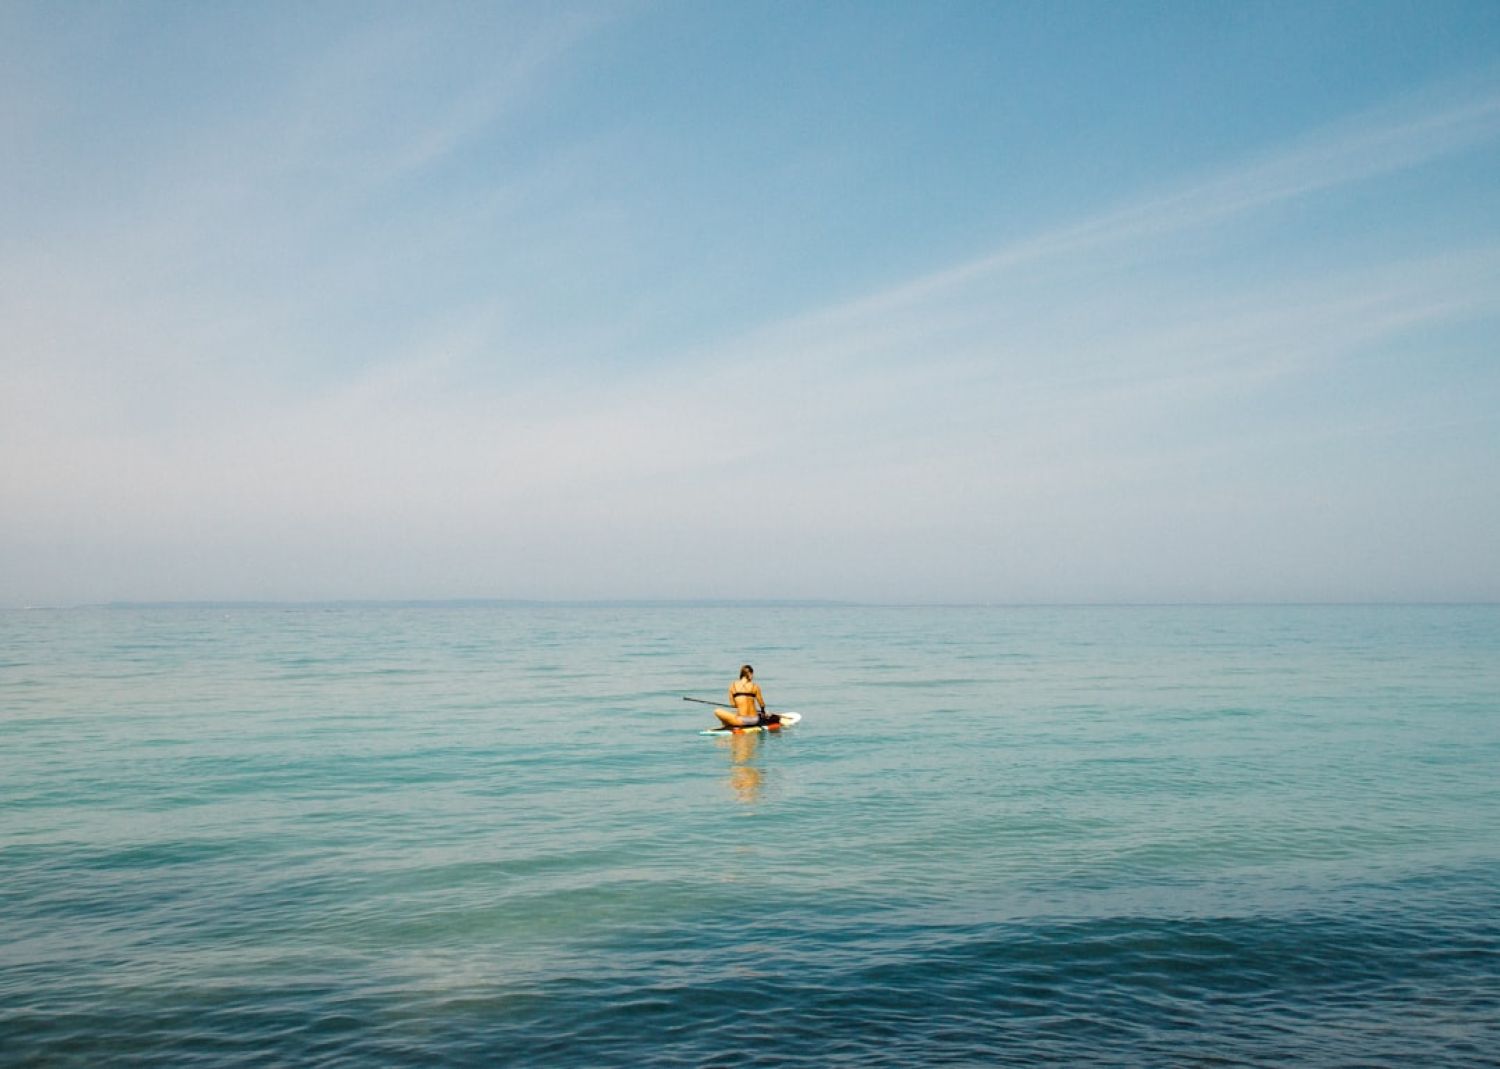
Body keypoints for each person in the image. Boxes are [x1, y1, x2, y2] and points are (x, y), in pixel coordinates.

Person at [714, 664, 779, 730]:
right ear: (749, 674)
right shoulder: (755, 686)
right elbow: (762, 704)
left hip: (742, 721)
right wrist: (762, 712)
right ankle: (730, 724)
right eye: (752, 674)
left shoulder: (732, 686)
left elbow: (733, 705)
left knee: (717, 711)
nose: (753, 677)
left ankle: (728, 725)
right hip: (754, 720)